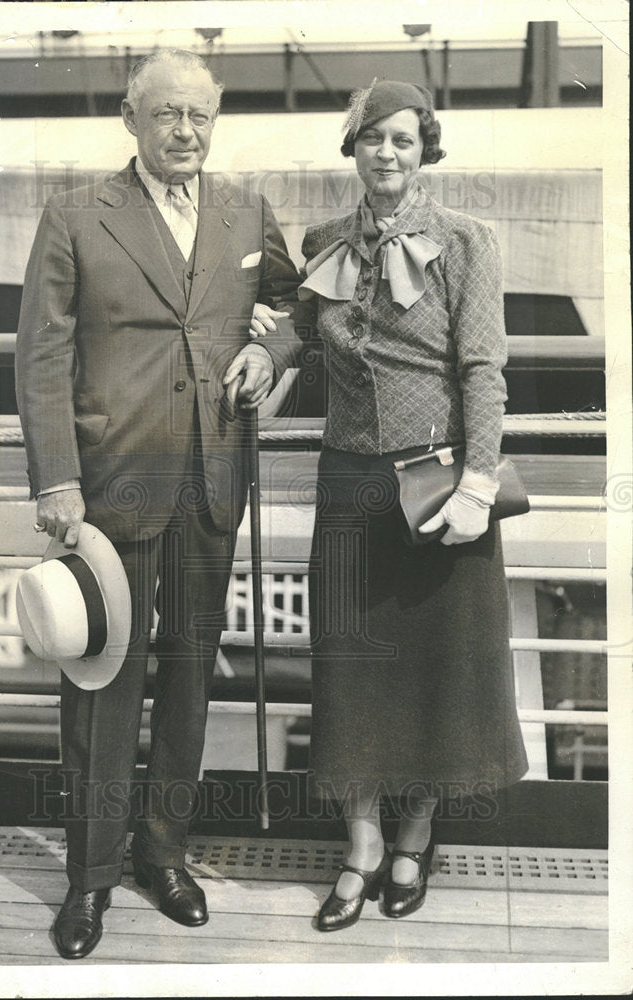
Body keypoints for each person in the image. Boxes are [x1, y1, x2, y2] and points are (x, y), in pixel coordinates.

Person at [15, 48, 299, 959]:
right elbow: (41, 356)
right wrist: (56, 478)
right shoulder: (73, 215)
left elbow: (304, 302)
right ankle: (89, 879)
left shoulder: (246, 212)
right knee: (102, 682)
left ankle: (164, 854)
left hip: (214, 476)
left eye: (200, 117)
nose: (185, 131)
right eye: (168, 114)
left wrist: (275, 348)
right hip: (111, 483)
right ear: (131, 121)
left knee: (188, 674)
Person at [293, 79, 528, 930]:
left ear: (424, 148)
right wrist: (259, 355)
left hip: (440, 488)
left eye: (401, 139)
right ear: (351, 148)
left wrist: (476, 481)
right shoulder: (324, 240)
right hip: (350, 485)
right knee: (350, 672)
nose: (385, 153)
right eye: (370, 138)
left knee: (438, 671)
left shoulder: (468, 242)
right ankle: (360, 844)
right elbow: (295, 330)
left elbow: (483, 372)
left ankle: (414, 835)